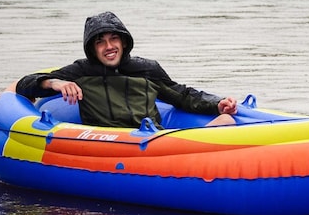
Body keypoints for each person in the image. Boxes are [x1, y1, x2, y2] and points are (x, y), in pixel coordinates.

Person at [15, 11, 237, 128]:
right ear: (92, 48)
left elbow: (182, 95)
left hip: (151, 139)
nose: (109, 47)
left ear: (123, 42)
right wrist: (55, 83)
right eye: (100, 41)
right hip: (109, 145)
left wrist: (217, 103)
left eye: (114, 39)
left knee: (226, 121)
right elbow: (25, 84)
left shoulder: (146, 69)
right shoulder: (82, 71)